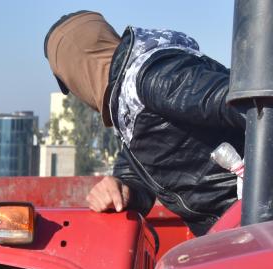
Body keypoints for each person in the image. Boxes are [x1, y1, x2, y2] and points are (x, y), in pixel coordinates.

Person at [44, 10, 245, 236]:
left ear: (77, 73)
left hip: (251, 225)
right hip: (230, 230)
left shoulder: (151, 78)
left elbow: (246, 103)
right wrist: (121, 189)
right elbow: (140, 172)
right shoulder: (128, 103)